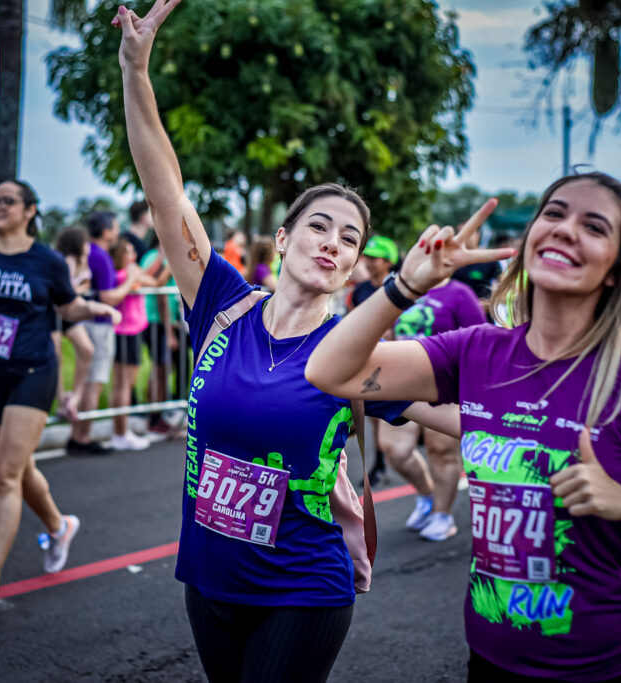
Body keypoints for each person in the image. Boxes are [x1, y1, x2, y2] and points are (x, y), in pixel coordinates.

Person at [307, 171, 621, 681]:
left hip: (605, 666)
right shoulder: (477, 350)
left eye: (594, 225)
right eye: (553, 214)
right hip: (489, 660)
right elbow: (329, 371)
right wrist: (407, 286)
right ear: (531, 239)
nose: (563, 228)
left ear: (614, 270)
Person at [113, 5, 416, 680]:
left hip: (302, 589)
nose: (332, 243)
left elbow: (455, 406)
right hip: (207, 581)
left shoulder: (353, 353)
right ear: (282, 239)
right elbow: (166, 195)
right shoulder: (221, 304)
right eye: (319, 226)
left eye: (349, 238)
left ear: (355, 262)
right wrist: (136, 67)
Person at [0, 179, 120, 613]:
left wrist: (92, 306)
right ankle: (59, 527)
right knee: (20, 471)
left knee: (4, 473)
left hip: (34, 373)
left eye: (7, 201)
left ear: (30, 209)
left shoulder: (46, 261)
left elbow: (67, 307)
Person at [381, 276, 486, 541]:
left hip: (445, 384)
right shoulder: (401, 287)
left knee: (441, 451)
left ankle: (443, 514)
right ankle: (426, 495)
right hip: (401, 382)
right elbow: (389, 333)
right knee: (395, 450)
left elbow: (480, 341)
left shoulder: (459, 293)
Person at [65, 212, 121, 455]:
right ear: (107, 231)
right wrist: (131, 284)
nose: (118, 232)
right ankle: (82, 437)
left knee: (85, 378)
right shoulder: (101, 256)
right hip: (98, 322)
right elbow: (108, 296)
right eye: (116, 227)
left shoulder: (86, 251)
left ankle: (76, 434)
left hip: (82, 320)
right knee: (94, 381)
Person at [350, 234, 400, 486]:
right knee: (371, 416)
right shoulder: (361, 289)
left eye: (376, 258)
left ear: (389, 261)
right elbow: (351, 321)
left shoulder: (398, 288)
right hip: (367, 359)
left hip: (395, 359)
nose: (369, 262)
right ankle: (379, 463)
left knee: (392, 417)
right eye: (367, 257)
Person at [109, 238, 155, 451]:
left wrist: (161, 260)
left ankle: (119, 430)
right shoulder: (122, 275)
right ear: (120, 256)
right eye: (128, 252)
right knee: (124, 384)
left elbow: (152, 280)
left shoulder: (128, 274)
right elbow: (148, 282)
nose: (133, 256)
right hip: (126, 332)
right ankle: (121, 432)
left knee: (123, 384)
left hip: (129, 332)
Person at [140, 230, 183, 436]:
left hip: (158, 321)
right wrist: (169, 332)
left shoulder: (152, 256)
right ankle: (155, 416)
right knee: (160, 369)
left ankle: (156, 414)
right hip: (156, 321)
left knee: (160, 369)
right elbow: (161, 295)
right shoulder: (159, 257)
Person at [52, 227, 94, 421]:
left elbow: (85, 285)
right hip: (55, 312)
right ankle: (61, 401)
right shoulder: (65, 262)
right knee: (57, 357)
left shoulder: (81, 262)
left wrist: (75, 290)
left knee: (87, 349)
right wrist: (75, 291)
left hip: (68, 312)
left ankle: (74, 397)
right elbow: (66, 289)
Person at [451, 230, 503, 300]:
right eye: (462, 234)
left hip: (481, 306)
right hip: (456, 305)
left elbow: (501, 281)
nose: (466, 238)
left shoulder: (487, 257)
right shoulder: (453, 259)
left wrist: (490, 301)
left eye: (469, 234)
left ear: (477, 235)